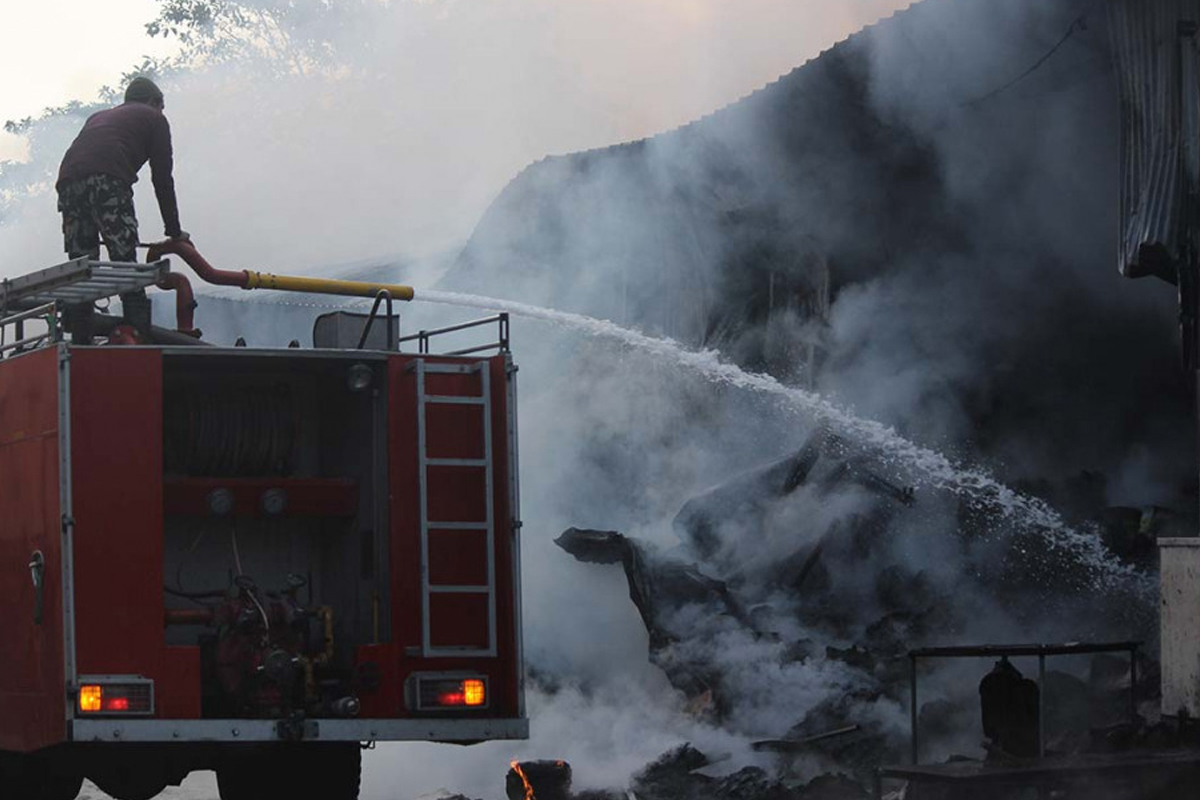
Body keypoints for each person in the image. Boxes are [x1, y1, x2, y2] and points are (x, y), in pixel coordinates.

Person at [56, 76, 190, 334]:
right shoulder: (155, 118)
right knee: (124, 256)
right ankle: (137, 328)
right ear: (156, 102)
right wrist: (174, 231)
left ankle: (81, 336)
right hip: (107, 178)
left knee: (83, 262)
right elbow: (162, 178)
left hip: (68, 182)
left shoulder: (99, 116)